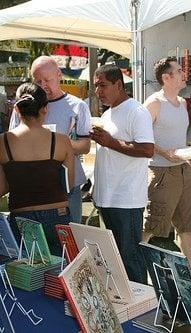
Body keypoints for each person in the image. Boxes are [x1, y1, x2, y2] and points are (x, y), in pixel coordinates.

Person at [143, 57, 191, 288]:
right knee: (152, 224)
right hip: (160, 171)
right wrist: (164, 152)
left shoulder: (182, 102)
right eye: (179, 71)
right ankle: (135, 267)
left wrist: (185, 158)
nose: (184, 73)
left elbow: (178, 138)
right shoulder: (153, 103)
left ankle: (190, 271)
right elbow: (141, 139)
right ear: (166, 77)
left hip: (183, 169)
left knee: (187, 224)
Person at [90, 64, 154, 284]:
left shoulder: (137, 111)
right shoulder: (108, 113)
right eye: (96, 86)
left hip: (126, 200)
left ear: (118, 84)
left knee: (130, 258)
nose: (98, 91)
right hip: (106, 198)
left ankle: (141, 306)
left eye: (102, 86)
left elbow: (147, 150)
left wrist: (110, 142)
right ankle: (125, 302)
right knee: (113, 258)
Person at [9, 56, 91, 223]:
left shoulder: (77, 106)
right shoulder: (24, 105)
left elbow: (85, 145)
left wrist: (59, 145)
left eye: (47, 80)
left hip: (67, 185)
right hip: (31, 184)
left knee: (70, 237)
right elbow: (13, 139)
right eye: (38, 81)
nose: (43, 85)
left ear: (59, 75)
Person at [0, 83, 74, 255]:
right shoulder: (62, 141)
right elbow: (68, 185)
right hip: (58, 214)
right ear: (45, 109)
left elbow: (2, 187)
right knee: (61, 273)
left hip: (21, 216)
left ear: (17, 109)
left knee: (27, 278)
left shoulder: (3, 142)